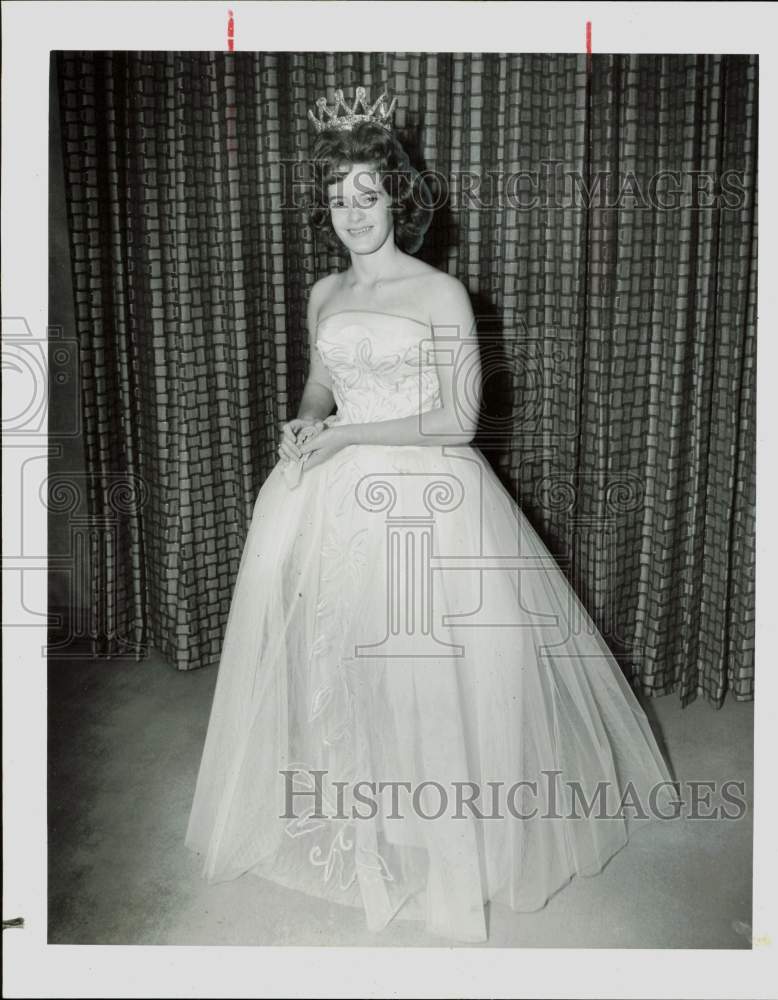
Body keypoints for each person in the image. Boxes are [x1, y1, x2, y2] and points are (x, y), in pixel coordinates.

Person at [184, 87, 680, 944]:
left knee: (428, 667)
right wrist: (308, 418)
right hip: (332, 491)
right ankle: (368, 807)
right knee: (342, 655)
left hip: (428, 497)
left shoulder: (441, 293)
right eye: (337, 198)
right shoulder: (321, 292)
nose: (352, 214)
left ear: (398, 199)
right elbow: (321, 378)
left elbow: (456, 422)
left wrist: (344, 438)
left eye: (368, 196)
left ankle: (446, 827)